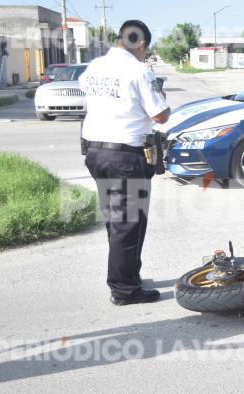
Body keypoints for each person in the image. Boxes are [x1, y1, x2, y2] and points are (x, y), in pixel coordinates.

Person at [79, 20, 170, 306]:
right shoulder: (138, 70)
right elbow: (160, 116)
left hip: (95, 153)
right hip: (125, 157)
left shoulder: (93, 67)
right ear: (141, 44)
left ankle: (128, 274)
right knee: (128, 223)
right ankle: (124, 289)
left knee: (115, 221)